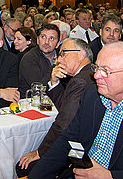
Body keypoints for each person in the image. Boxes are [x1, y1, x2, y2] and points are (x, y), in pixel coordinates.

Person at [28, 41, 123, 179]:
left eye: (105, 71)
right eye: (96, 68)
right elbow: (67, 139)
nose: (96, 75)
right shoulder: (92, 96)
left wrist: (111, 176)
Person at [17, 38, 94, 177]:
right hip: (77, 142)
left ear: (81, 55)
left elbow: (63, 125)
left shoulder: (80, 81)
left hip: (77, 147)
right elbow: (65, 108)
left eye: (64, 53)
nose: (59, 59)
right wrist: (54, 82)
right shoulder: (85, 75)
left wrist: (40, 152)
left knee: (23, 168)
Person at [19, 23, 60, 98]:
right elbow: (38, 90)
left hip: (56, 100)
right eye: (43, 37)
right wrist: (55, 66)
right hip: (32, 102)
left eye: (51, 38)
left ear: (57, 43)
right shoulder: (29, 58)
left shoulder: (62, 57)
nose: (46, 42)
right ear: (38, 40)